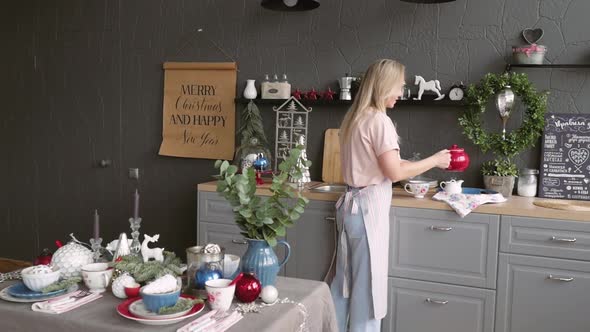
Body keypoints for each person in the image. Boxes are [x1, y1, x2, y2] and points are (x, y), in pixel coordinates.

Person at [330, 59, 451, 332]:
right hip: (366, 212)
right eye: (399, 86)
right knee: (367, 290)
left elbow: (385, 165)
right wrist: (435, 160)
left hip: (350, 209)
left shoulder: (355, 118)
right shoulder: (379, 121)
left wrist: (409, 163)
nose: (401, 92)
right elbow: (395, 172)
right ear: (385, 85)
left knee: (344, 286)